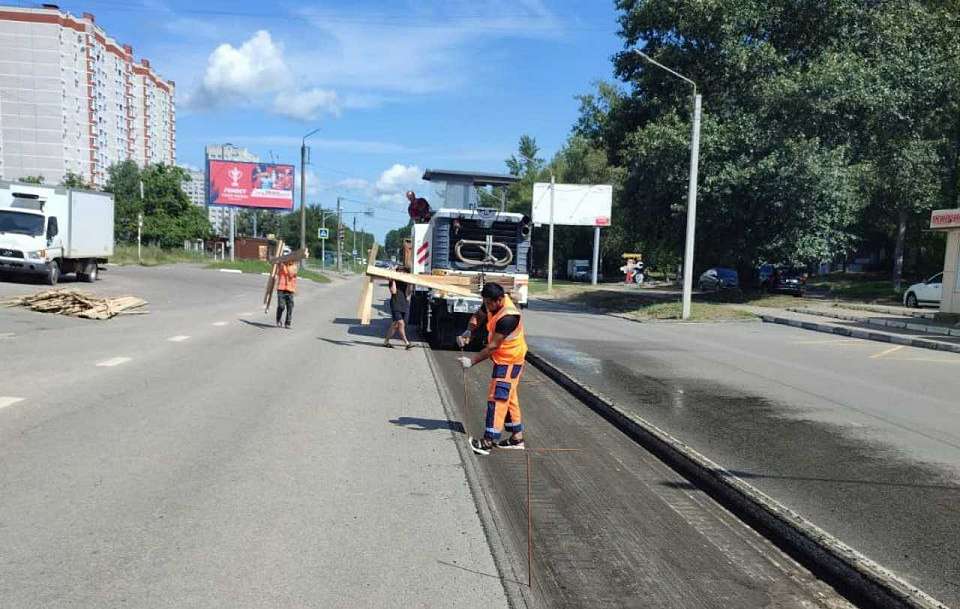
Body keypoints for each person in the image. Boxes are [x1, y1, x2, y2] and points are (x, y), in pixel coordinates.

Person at [456, 283, 528, 455]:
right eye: (485, 302)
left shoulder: (509, 317)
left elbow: (493, 346)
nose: (487, 306)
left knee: (498, 398)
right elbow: (478, 316)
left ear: (499, 300)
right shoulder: (491, 303)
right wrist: (468, 332)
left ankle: (488, 441)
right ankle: (516, 438)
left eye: (489, 303)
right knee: (509, 397)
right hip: (505, 359)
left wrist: (471, 361)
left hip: (509, 361)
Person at [383, 266, 413, 349]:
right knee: (401, 323)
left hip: (404, 304)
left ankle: (386, 342)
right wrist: (392, 279)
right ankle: (407, 343)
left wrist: (410, 283)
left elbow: (408, 294)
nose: (402, 273)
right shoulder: (392, 281)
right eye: (400, 271)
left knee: (395, 325)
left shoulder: (406, 282)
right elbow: (393, 291)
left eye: (403, 271)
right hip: (395, 304)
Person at [276, 258, 297, 329]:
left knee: (290, 307)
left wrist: (285, 265)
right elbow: (277, 271)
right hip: (281, 289)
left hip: (290, 290)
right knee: (281, 306)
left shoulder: (294, 266)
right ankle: (278, 319)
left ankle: (287, 323)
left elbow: (290, 274)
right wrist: (278, 263)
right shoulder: (281, 265)